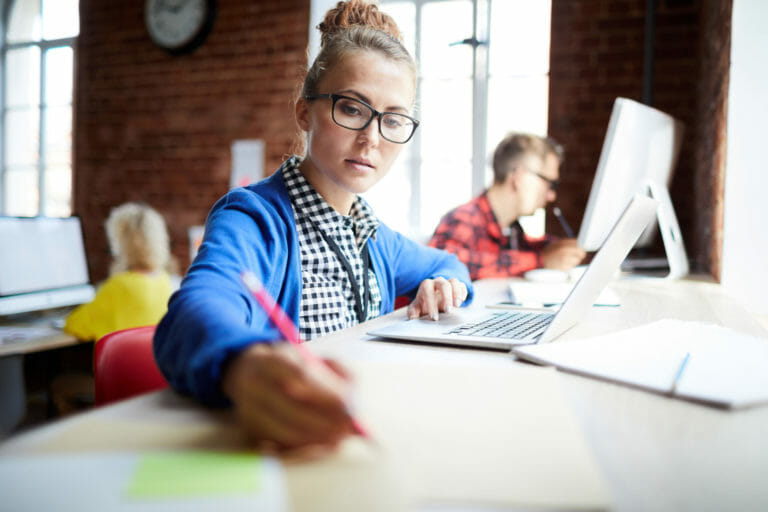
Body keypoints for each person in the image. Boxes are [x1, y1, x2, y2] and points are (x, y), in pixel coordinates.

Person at [154, 0, 472, 452]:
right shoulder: (253, 218)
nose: (372, 138)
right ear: (306, 113)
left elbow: (449, 262)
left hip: (362, 426)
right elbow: (197, 305)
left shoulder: (374, 235)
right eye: (352, 109)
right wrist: (242, 363)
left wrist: (445, 283)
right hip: (285, 440)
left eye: (394, 119)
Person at [429, 132, 586, 280]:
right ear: (519, 177)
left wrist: (556, 249)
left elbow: (516, 252)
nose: (552, 195)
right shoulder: (463, 220)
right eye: (550, 184)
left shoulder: (510, 229)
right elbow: (440, 268)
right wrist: (540, 260)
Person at [63, 202, 175, 341]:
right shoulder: (164, 280)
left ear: (121, 242)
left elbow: (73, 325)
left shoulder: (119, 286)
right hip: (155, 362)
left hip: (123, 362)